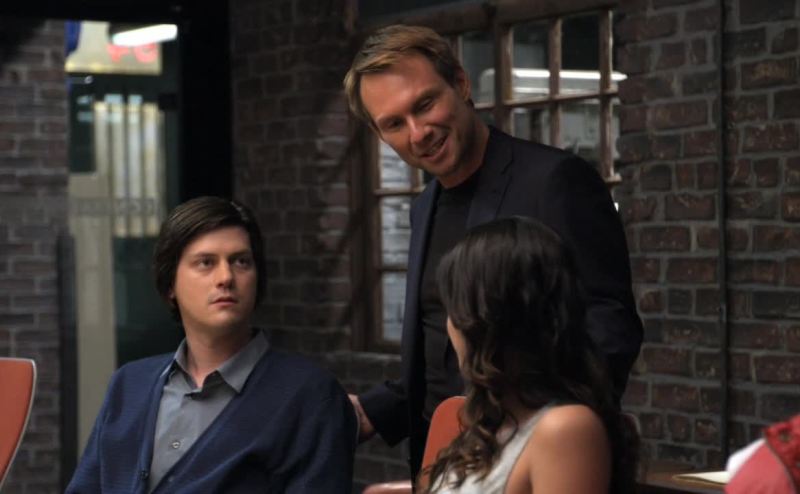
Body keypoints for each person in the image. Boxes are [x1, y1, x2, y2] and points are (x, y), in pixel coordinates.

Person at [343, 24, 643, 477]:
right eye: (394, 124)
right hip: (444, 466)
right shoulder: (425, 207)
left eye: (424, 105)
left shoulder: (555, 181)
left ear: (461, 84)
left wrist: (540, 437)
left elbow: (611, 330)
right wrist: (370, 411)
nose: (418, 133)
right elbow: (444, 355)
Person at [66, 196, 356, 493]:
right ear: (170, 285)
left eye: (241, 262)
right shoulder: (129, 385)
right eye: (206, 263)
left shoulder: (308, 396)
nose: (226, 277)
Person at [426, 217, 637, 493]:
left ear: (490, 320)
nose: (450, 326)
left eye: (456, 310)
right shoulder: (492, 425)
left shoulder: (565, 428)